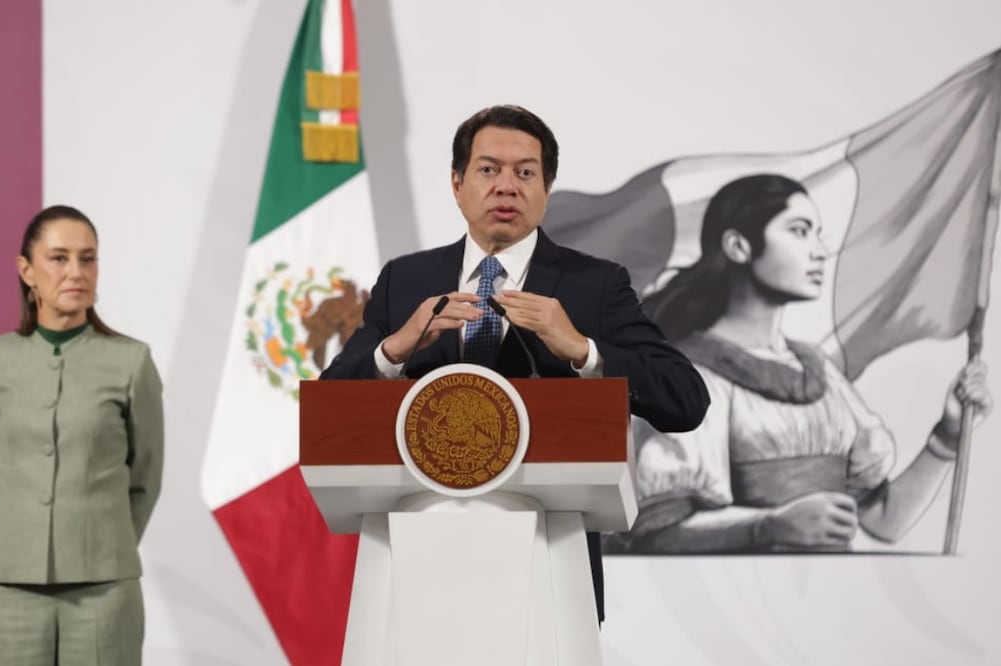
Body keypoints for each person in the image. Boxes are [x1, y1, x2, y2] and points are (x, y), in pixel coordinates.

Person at [320, 105, 710, 621]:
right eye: (488, 170)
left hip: (548, 567)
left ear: (546, 190)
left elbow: (685, 399)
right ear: (457, 184)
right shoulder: (406, 280)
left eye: (525, 172)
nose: (507, 186)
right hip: (419, 564)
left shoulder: (594, 284)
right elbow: (330, 410)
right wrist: (395, 347)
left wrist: (583, 351)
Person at [602, 174, 992, 554]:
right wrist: (769, 526)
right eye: (800, 230)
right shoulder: (690, 374)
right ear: (739, 246)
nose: (820, 250)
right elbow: (656, 531)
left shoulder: (817, 370)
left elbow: (883, 521)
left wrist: (948, 437)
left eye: (817, 233)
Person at [0, 205, 164, 665]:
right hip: (8, 586)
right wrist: (24, 533)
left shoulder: (131, 361)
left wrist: (100, 540)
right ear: (26, 270)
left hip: (105, 589)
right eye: (59, 258)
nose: (76, 272)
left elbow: (145, 476)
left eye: (88, 259)